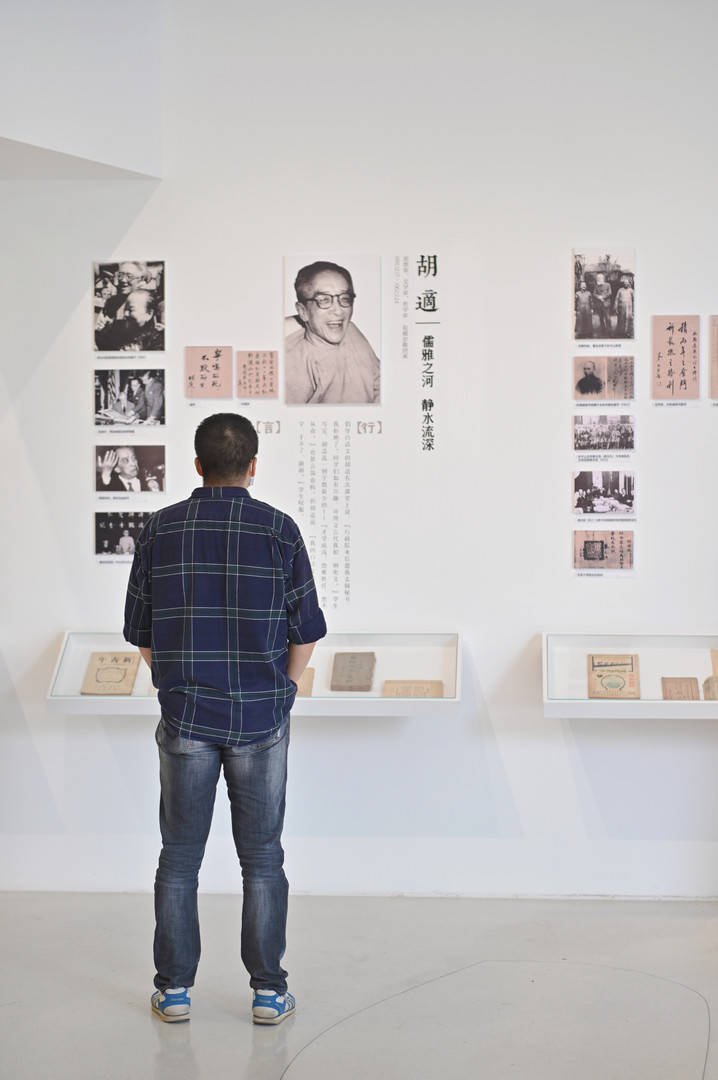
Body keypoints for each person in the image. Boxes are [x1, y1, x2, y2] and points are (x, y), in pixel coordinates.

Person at [123, 413, 326, 1026]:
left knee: (179, 858)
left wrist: (171, 680)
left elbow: (141, 632)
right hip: (261, 718)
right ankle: (268, 992)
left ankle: (174, 992)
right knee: (262, 858)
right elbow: (305, 630)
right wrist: (284, 691)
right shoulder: (279, 530)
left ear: (197, 464)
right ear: (253, 466)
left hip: (186, 716)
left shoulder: (160, 530)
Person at [284, 261, 380, 404]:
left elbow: (379, 383)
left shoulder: (351, 331)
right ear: (303, 311)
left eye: (345, 299)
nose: (338, 311)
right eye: (324, 300)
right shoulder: (293, 365)